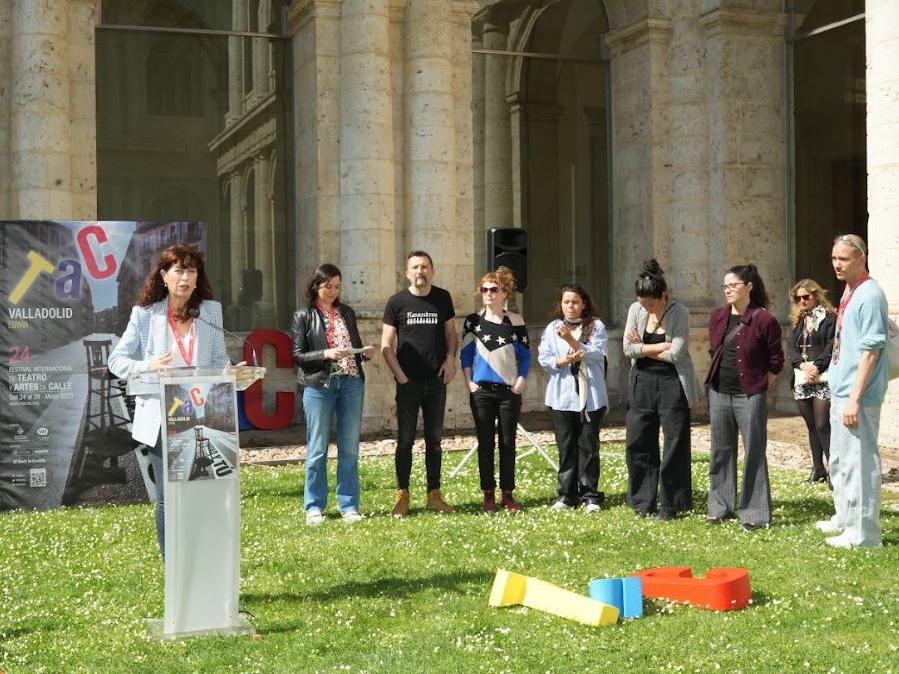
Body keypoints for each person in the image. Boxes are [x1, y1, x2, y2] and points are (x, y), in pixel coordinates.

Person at [108, 244, 230, 556]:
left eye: (192, 271)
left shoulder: (210, 312)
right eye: (179, 270)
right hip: (164, 415)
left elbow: (218, 360)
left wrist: (231, 373)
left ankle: (202, 560)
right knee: (169, 495)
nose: (186, 277)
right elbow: (116, 361)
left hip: (205, 413)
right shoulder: (145, 315)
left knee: (201, 492)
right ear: (164, 276)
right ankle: (173, 568)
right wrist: (147, 365)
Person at [816, 234, 888, 548]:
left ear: (862, 257)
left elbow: (872, 350)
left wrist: (855, 399)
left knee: (860, 463)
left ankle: (864, 535)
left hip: (858, 396)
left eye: (843, 259)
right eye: (834, 258)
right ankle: (846, 518)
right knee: (841, 461)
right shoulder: (850, 290)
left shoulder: (870, 294)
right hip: (842, 389)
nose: (837, 265)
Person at [291, 263, 376, 526]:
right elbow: (297, 355)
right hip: (319, 386)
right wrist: (325, 354)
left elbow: (354, 345)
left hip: (351, 382)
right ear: (316, 285)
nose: (333, 291)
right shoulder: (303, 315)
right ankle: (314, 506)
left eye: (337, 287)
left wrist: (364, 353)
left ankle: (349, 505)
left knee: (349, 448)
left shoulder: (346, 312)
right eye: (328, 286)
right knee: (317, 448)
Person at [705, 264, 783, 531]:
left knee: (754, 453)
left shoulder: (765, 320)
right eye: (725, 285)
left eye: (733, 285)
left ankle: (754, 513)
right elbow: (712, 350)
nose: (728, 290)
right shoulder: (717, 316)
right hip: (718, 392)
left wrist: (759, 386)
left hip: (750, 395)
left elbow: (776, 362)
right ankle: (719, 507)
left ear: (748, 287)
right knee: (720, 451)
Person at [381, 251, 457, 516]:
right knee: (405, 440)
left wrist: (450, 359)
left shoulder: (443, 298)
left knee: (435, 440)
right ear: (407, 273)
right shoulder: (396, 302)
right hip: (408, 382)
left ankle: (434, 494)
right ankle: (402, 495)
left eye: (424, 266)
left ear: (432, 271)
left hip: (437, 380)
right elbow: (386, 345)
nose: (420, 271)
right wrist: (401, 376)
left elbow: (451, 333)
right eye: (415, 267)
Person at [623, 259, 700, 520]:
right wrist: (659, 347)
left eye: (651, 304)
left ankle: (672, 503)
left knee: (675, 442)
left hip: (672, 383)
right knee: (638, 440)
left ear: (663, 295)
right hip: (641, 381)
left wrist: (643, 349)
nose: (646, 307)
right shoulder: (635, 309)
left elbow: (677, 354)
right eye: (642, 302)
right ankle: (642, 501)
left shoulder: (680, 312)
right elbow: (627, 349)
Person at [460, 267, 531, 513]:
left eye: (493, 289)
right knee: (486, 443)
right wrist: (469, 382)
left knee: (508, 442)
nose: (488, 293)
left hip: (508, 392)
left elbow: (525, 355)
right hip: (482, 392)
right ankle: (488, 494)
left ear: (504, 293)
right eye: (484, 289)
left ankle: (507, 494)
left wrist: (521, 380)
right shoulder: (473, 321)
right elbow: (466, 354)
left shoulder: (516, 321)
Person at [537, 284, 608, 513]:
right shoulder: (553, 328)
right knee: (566, 446)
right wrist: (563, 361)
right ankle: (567, 494)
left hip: (590, 396)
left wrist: (571, 341)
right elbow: (545, 358)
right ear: (561, 304)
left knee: (588, 445)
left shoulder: (595, 326)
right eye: (566, 302)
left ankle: (590, 495)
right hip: (561, 396)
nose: (570, 306)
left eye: (575, 302)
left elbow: (596, 355)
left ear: (584, 303)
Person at [787, 279, 837, 485]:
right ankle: (818, 468)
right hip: (802, 377)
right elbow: (791, 348)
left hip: (822, 377)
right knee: (810, 426)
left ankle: (836, 471)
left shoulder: (829, 318)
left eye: (806, 297)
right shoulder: (799, 320)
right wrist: (802, 365)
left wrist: (817, 366)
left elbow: (832, 344)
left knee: (822, 423)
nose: (802, 301)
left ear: (816, 295)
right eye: (798, 298)